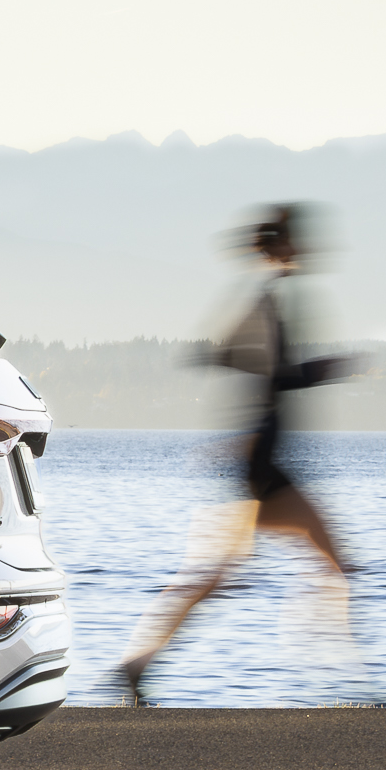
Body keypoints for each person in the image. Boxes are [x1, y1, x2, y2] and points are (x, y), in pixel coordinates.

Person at [117, 205, 366, 706]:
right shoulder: (270, 299)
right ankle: (342, 681)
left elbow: (224, 355)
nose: (305, 248)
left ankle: (137, 663)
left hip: (261, 462)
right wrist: (331, 367)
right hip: (264, 466)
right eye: (298, 240)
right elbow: (276, 374)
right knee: (335, 566)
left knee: (217, 575)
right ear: (283, 246)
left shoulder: (264, 299)